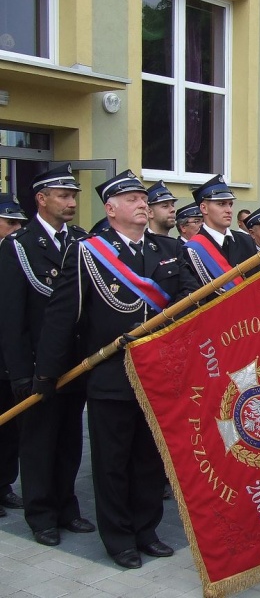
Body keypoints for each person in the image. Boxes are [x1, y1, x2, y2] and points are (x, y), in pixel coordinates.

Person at [32, 169, 199, 569]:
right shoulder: (89, 252)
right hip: (112, 375)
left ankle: (146, 530)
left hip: (159, 375)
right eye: (132, 199)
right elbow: (62, 316)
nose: (142, 204)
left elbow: (190, 295)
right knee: (112, 463)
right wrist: (47, 373)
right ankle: (120, 538)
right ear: (110, 209)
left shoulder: (168, 248)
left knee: (150, 459)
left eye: (143, 198)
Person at [0, 167, 94, 547]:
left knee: (70, 441)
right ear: (41, 199)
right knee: (38, 444)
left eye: (73, 196)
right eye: (63, 195)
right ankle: (41, 515)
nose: (71, 202)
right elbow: (12, 318)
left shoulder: (80, 240)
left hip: (74, 364)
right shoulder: (18, 246)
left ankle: (67, 507)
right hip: (39, 366)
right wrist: (20, 374)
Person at [183, 174, 260, 293]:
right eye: (221, 204)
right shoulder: (191, 250)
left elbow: (258, 283)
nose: (229, 210)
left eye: (230, 204)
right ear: (204, 208)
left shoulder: (246, 240)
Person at [0, 196, 27, 520]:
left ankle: (4, 484)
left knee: (10, 428)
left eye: (20, 222)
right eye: (11, 222)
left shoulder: (18, 256)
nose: (17, 228)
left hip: (8, 358)